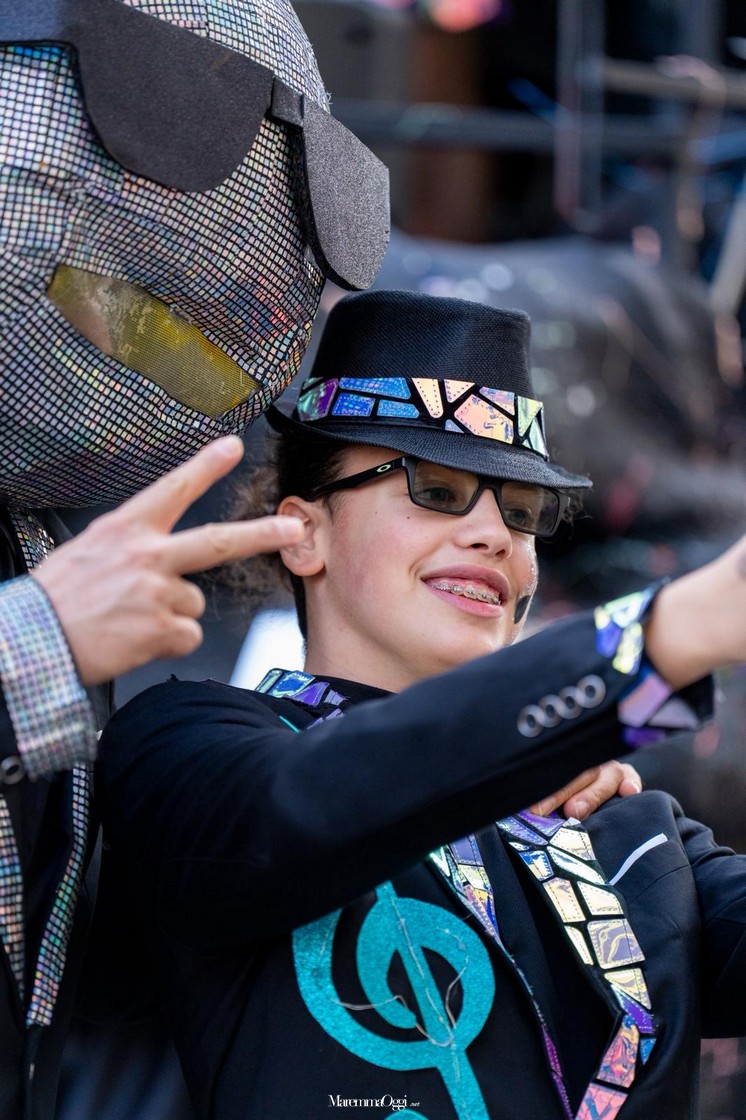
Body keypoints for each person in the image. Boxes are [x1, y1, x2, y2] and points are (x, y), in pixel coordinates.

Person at [97, 290, 746, 1120]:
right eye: (436, 489)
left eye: (522, 512)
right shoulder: (184, 745)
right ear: (305, 532)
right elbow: (301, 807)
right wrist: (650, 645)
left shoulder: (625, 829)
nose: (495, 535)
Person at [0, 2, 390, 1117]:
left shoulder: (42, 542)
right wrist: (36, 644)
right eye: (434, 493)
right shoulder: (61, 608)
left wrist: (499, 785)